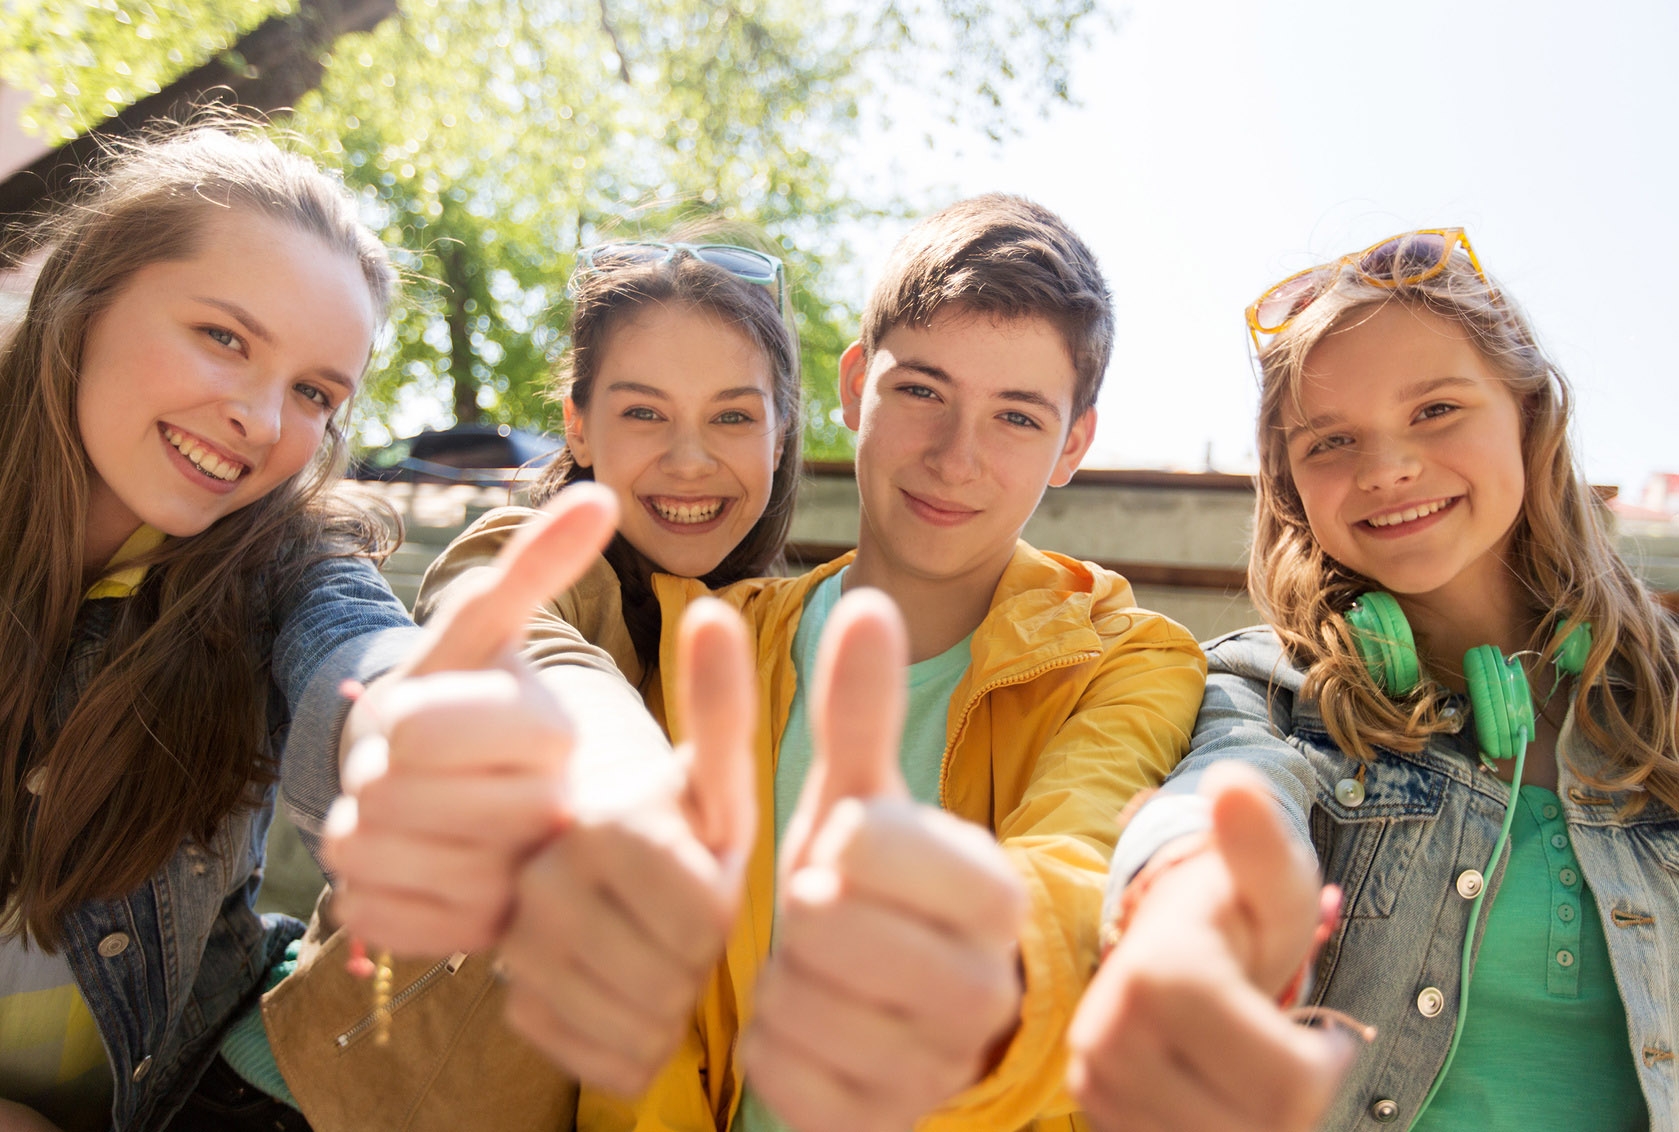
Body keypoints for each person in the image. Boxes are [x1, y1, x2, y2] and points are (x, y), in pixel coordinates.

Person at [505, 193, 1208, 1132]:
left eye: (1016, 418)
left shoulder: (1129, 661)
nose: (956, 458)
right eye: (921, 391)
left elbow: (1079, 859)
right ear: (850, 387)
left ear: (1073, 443)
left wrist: (985, 964)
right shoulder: (711, 639)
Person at [1067, 229, 1679, 1132]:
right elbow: (1217, 801)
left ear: (1527, 415)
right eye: (1331, 440)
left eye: (1434, 410)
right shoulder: (1269, 690)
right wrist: (1183, 922)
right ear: (1289, 487)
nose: (1385, 469)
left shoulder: (1662, 698)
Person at [254, 238, 805, 1132]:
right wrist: (629, 787)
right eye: (645, 414)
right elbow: (531, 653)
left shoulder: (778, 638)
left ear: (781, 435)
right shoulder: (521, 553)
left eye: (734, 418)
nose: (691, 459)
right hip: (307, 1099)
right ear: (579, 426)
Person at [0, 124, 422, 1132]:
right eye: (225, 337)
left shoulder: (285, 560)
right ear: (89, 296)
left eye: (316, 392)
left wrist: (426, 726)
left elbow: (361, 652)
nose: (265, 422)